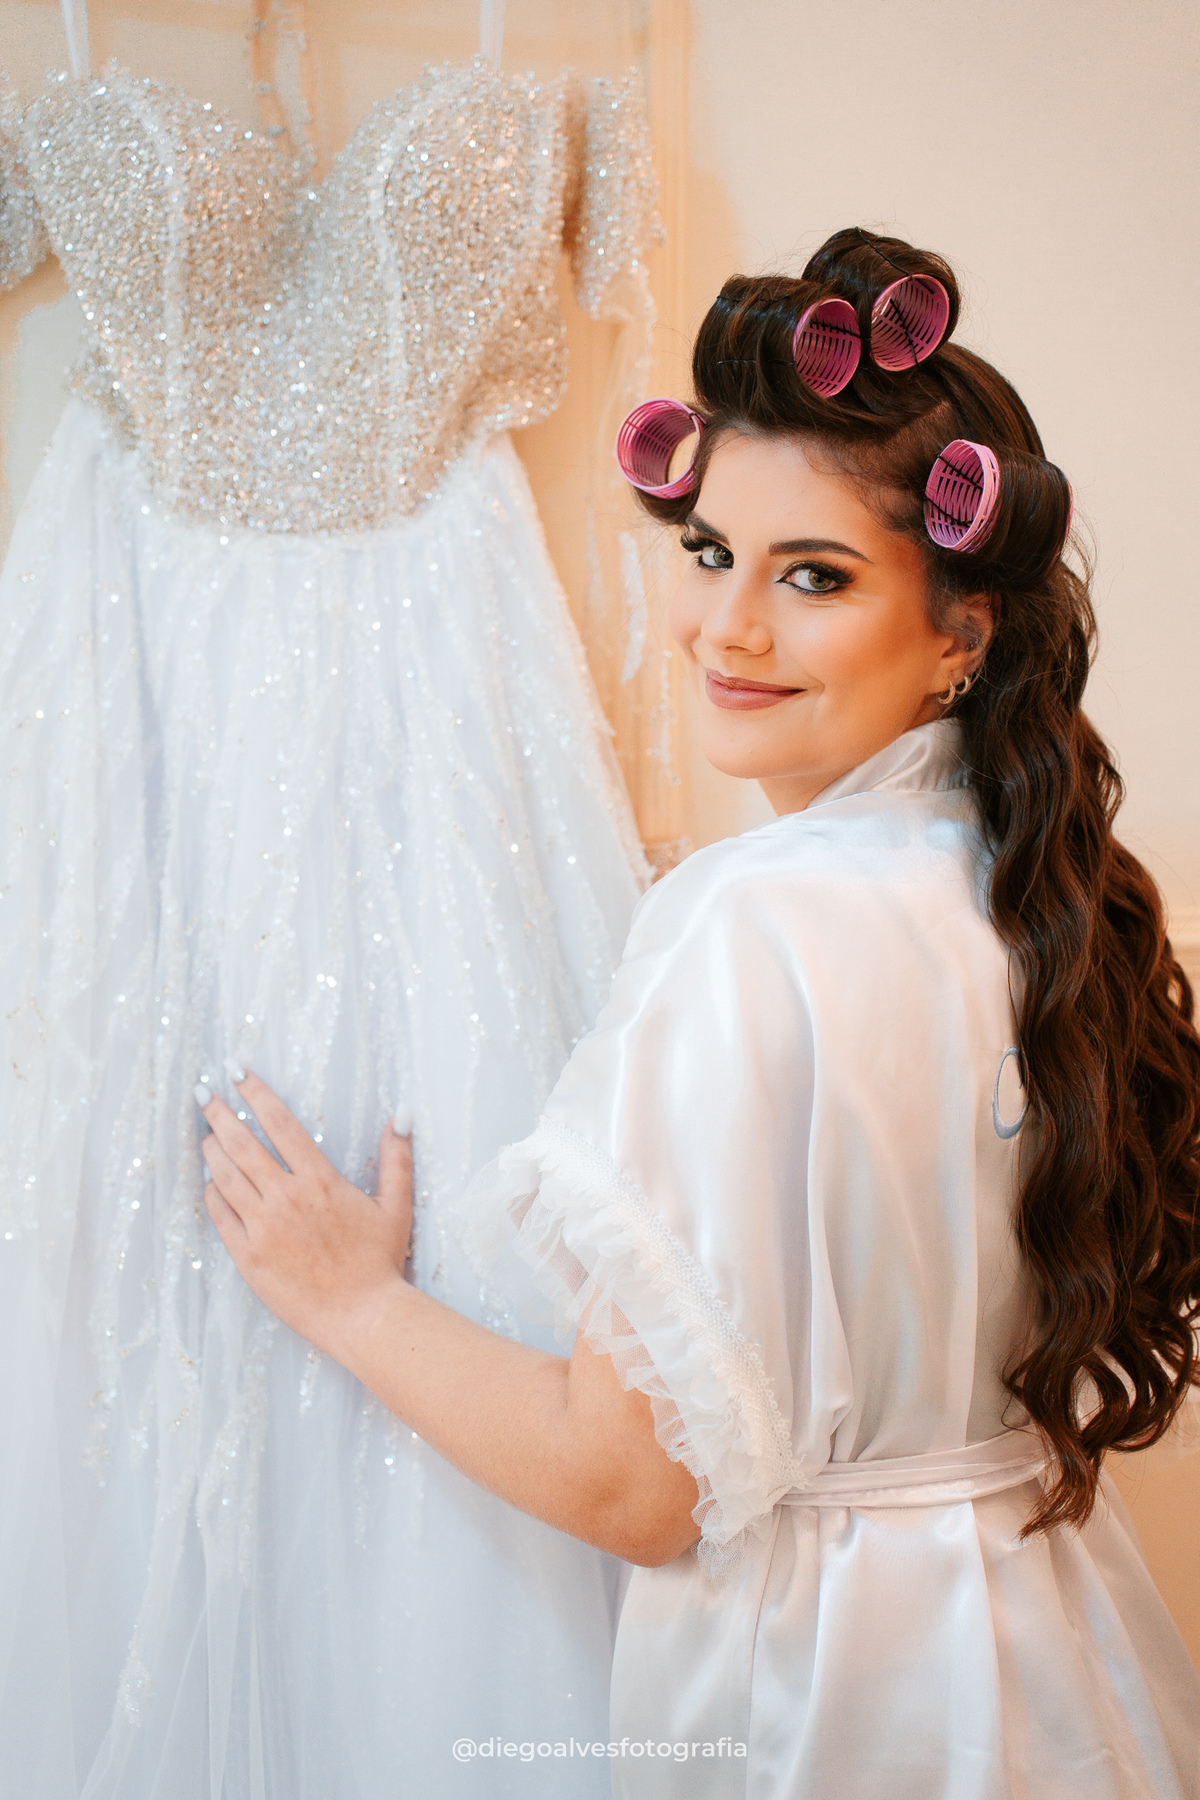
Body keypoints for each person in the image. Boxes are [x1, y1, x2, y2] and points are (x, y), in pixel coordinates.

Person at [197, 229, 1200, 1798]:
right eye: (712, 551)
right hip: (1058, 1651)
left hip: (833, 1697)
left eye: (814, 577)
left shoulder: (750, 922)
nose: (726, 626)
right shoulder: (1036, 894)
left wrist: (349, 1300)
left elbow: (633, 1487)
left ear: (962, 629)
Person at [0, 55, 660, 1799]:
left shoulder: (581, 62)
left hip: (441, 722)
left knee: (460, 1228)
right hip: (138, 710)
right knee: (123, 1264)